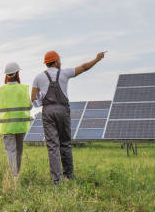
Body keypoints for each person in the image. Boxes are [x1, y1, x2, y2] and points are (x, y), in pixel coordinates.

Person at [31, 50, 105, 185]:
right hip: (63, 111)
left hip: (47, 112)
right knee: (65, 143)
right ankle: (69, 176)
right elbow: (84, 67)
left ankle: (56, 180)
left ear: (46, 63)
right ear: (56, 61)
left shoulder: (38, 78)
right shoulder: (64, 73)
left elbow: (33, 99)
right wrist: (97, 59)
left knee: (53, 146)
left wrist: (44, 100)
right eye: (59, 60)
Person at [0, 62, 31, 178]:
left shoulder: (2, 90)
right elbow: (29, 106)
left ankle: (14, 176)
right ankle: (17, 175)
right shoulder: (23, 89)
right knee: (19, 152)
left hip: (7, 127)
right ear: (17, 73)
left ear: (6, 75)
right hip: (20, 126)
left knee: (11, 151)